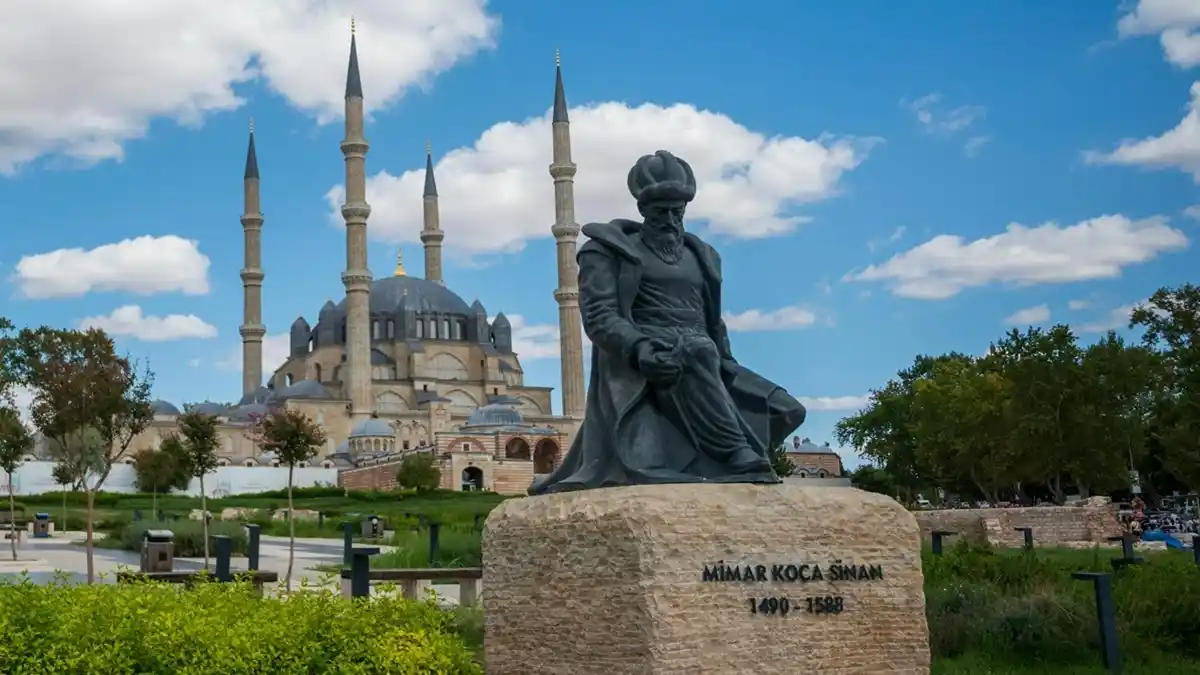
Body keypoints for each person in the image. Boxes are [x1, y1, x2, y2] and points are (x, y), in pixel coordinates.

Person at [529, 150, 806, 495]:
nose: (672, 220)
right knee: (697, 350)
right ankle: (733, 453)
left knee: (786, 410)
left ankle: (715, 461)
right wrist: (639, 347)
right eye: (662, 211)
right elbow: (600, 316)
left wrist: (728, 362)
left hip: (706, 357)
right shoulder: (607, 251)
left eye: (678, 211)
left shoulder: (701, 255)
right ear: (643, 209)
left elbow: (712, 320)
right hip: (647, 355)